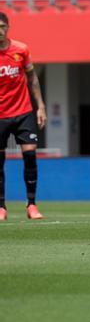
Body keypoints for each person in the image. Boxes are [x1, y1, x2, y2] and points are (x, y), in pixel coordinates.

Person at [0, 12, 48, 220]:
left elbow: (32, 79)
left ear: (8, 27)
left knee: (30, 155)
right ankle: (1, 207)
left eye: (2, 26)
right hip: (0, 115)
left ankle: (31, 205)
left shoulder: (21, 50)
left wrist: (41, 107)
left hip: (23, 112)